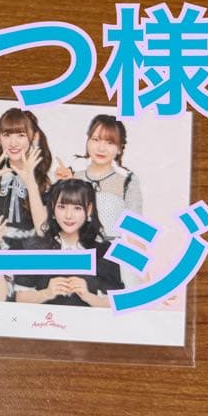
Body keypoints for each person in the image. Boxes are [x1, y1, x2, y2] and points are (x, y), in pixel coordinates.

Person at [54, 114, 143, 288]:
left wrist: (147, 280)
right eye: (95, 139)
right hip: (75, 254)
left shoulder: (127, 182)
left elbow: (135, 234)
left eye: (110, 142)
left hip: (111, 259)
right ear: (87, 141)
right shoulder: (71, 176)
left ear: (120, 148)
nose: (101, 148)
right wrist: (61, 185)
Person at [13, 179, 124, 307]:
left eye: (77, 208)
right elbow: (20, 298)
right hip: (45, 319)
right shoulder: (35, 247)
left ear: (89, 210)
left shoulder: (104, 251)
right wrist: (46, 293)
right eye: (62, 207)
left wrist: (89, 296)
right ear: (53, 207)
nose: (68, 215)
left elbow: (117, 303)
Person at [0, 108, 53, 247]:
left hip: (27, 254)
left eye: (21, 135)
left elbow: (42, 229)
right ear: (0, 138)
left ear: (34, 137)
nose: (13, 143)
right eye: (7, 135)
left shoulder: (45, 181)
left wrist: (30, 182)